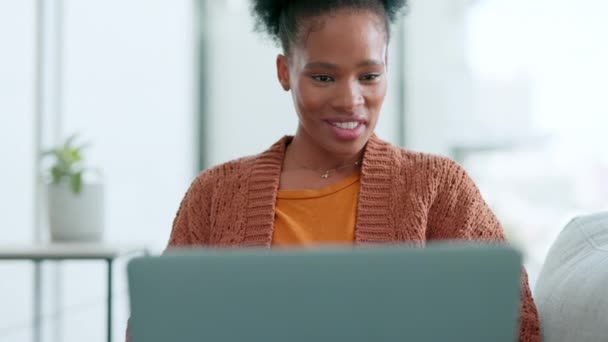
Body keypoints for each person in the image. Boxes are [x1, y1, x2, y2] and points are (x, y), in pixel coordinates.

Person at [165, 0, 540, 341]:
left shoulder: (439, 188)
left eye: (369, 77)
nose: (349, 101)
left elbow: (515, 324)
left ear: (387, 69)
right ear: (285, 72)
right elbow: (161, 326)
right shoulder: (215, 194)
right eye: (323, 78)